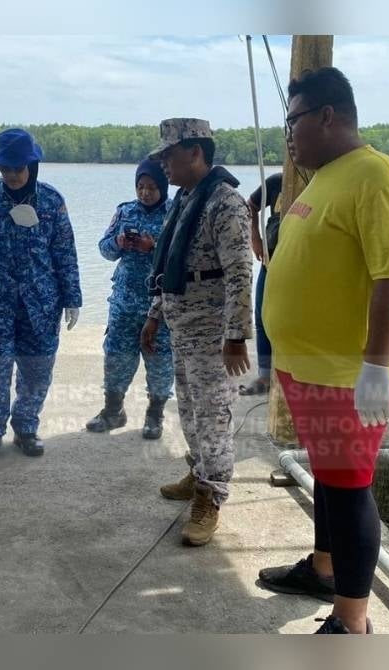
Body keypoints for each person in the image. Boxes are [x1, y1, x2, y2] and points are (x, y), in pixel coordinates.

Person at [259, 67, 389, 634]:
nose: (290, 137)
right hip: (308, 368)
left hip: (348, 374)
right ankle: (324, 569)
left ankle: (352, 620)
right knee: (328, 477)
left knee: (349, 489)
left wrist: (377, 366)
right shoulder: (323, 176)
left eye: (294, 121)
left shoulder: (377, 177)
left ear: (327, 116)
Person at [141, 118, 252, 547]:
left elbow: (241, 270)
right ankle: (197, 471)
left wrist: (236, 335)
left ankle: (211, 496)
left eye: (169, 155)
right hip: (182, 328)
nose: (164, 164)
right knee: (189, 411)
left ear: (195, 151)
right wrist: (154, 315)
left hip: (212, 335)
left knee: (213, 419)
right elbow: (170, 265)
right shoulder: (186, 198)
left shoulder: (225, 202)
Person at [0, 128, 82, 459]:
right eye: (4, 168)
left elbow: (65, 252)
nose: (10, 175)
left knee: (36, 370)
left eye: (17, 169)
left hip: (41, 303)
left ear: (32, 166)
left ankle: (26, 428)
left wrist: (72, 298)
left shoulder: (51, 201)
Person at [86, 159, 174, 439]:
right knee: (116, 357)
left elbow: (183, 256)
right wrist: (119, 244)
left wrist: (154, 247)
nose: (145, 193)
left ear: (162, 186)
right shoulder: (124, 211)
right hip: (124, 301)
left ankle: (155, 415)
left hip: (159, 305)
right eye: (140, 187)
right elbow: (104, 249)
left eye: (151, 187)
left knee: (160, 362)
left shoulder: (175, 212)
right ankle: (113, 411)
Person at [239, 172, 283, 396]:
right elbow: (251, 206)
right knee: (262, 318)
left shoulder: (321, 184)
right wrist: (255, 237)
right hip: (269, 261)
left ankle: (289, 375)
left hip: (298, 266)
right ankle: (265, 376)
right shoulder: (276, 182)